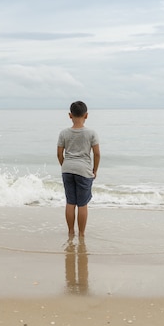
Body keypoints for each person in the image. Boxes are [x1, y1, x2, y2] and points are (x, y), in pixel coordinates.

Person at [57, 101, 100, 237]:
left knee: (70, 202)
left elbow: (59, 154)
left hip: (67, 169)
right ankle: (81, 234)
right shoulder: (91, 133)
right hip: (84, 170)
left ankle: (70, 232)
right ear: (86, 115)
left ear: (70, 115)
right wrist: (94, 170)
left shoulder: (64, 133)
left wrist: (65, 165)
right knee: (82, 204)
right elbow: (97, 153)